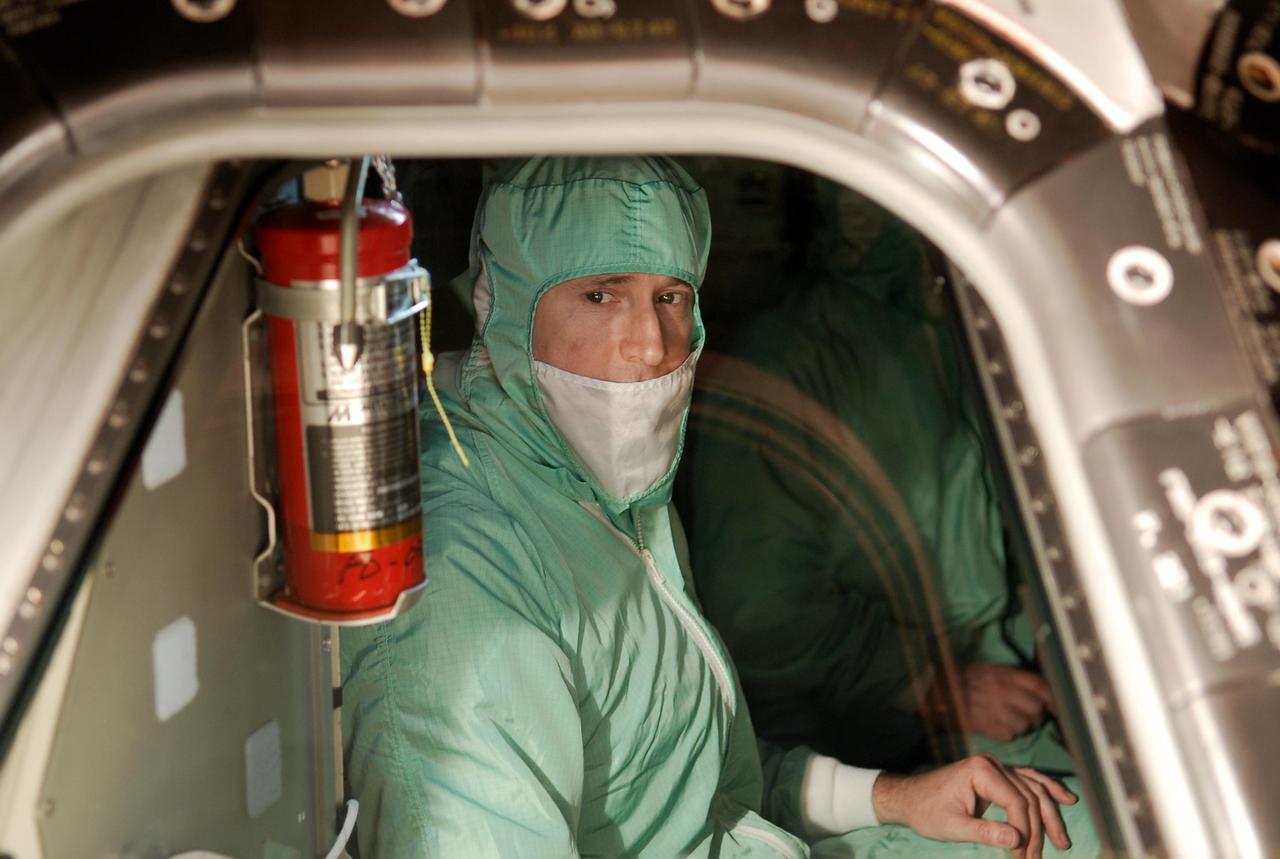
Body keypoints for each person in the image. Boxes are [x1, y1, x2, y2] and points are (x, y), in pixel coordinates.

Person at [340, 156, 1081, 858]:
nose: (651, 345)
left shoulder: (612, 499)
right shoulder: (466, 577)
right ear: (504, 305)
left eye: (671, 297)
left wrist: (893, 797)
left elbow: (695, 780)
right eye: (600, 294)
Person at [682, 178, 1068, 775]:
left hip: (982, 687)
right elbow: (763, 612)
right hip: (843, 748)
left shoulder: (950, 331)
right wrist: (933, 685)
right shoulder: (790, 367)